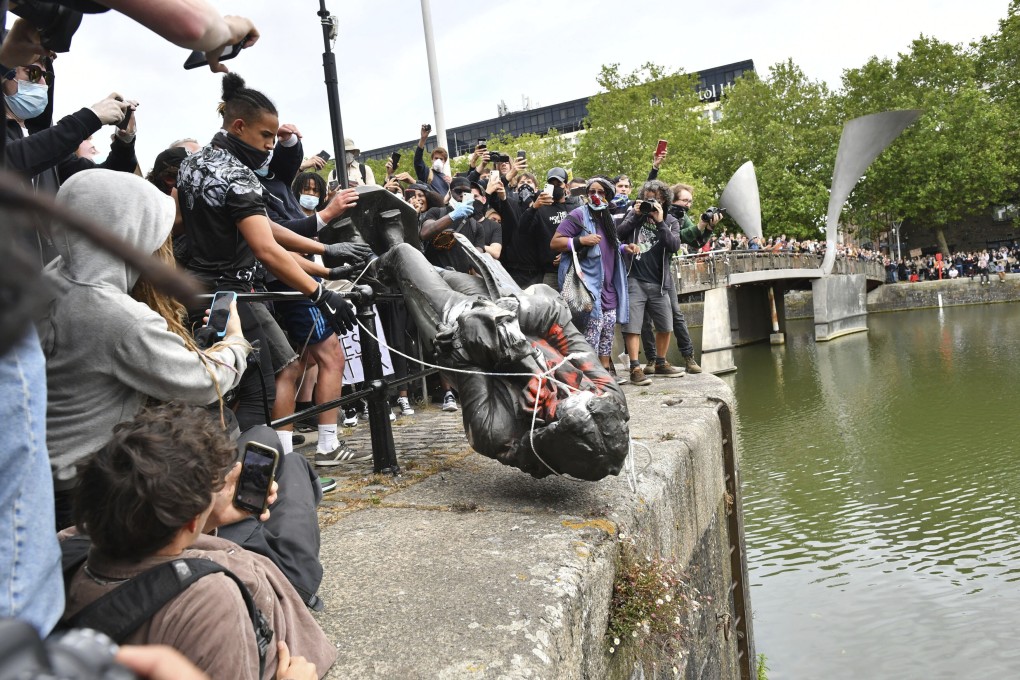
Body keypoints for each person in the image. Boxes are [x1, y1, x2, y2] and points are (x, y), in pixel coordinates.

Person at [61, 402, 336, 680]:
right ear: (191, 520)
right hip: (282, 601)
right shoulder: (210, 600)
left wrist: (210, 519)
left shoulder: (70, 543)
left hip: (201, 544)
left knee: (271, 445)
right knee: (295, 463)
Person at [38, 169, 250, 528]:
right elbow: (200, 382)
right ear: (130, 232)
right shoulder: (114, 314)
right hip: (85, 490)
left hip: (41, 479)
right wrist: (235, 343)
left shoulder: (51, 279)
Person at [175, 72, 360, 432]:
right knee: (265, 384)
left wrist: (325, 249)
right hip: (234, 295)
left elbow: (182, 222)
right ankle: (261, 472)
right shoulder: (238, 175)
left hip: (194, 289)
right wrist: (320, 293)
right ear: (240, 126)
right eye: (266, 136)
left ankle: (254, 468)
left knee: (226, 387)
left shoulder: (191, 164)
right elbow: (265, 247)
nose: (270, 146)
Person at [551, 177, 638, 381]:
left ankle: (605, 373)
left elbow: (613, 245)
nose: (595, 196)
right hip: (588, 284)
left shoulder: (606, 217)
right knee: (593, 330)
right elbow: (555, 243)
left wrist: (626, 248)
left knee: (608, 330)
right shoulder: (578, 214)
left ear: (607, 196)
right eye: (592, 192)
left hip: (609, 284)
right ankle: (589, 375)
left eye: (600, 192)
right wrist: (581, 240)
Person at [618, 179, 684, 385]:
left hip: (659, 281)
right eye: (648, 198)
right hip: (634, 278)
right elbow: (618, 234)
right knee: (633, 326)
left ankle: (661, 363)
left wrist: (660, 221)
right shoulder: (634, 215)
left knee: (666, 325)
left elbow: (674, 245)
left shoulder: (671, 220)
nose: (652, 201)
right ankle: (635, 368)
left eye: (656, 198)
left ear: (664, 200)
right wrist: (636, 216)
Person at [522, 167, 572, 288]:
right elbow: (523, 230)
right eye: (551, 184)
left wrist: (568, 254)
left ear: (566, 186)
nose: (555, 186)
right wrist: (534, 207)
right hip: (550, 272)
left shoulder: (574, 207)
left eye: (558, 183)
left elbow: (584, 237)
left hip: (573, 268)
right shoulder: (540, 208)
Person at [413, 122, 451, 196]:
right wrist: (423, 139)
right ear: (432, 160)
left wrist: (452, 184)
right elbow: (417, 161)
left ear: (445, 161)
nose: (438, 161)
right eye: (436, 158)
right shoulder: (427, 173)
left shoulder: (446, 179)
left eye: (441, 159)